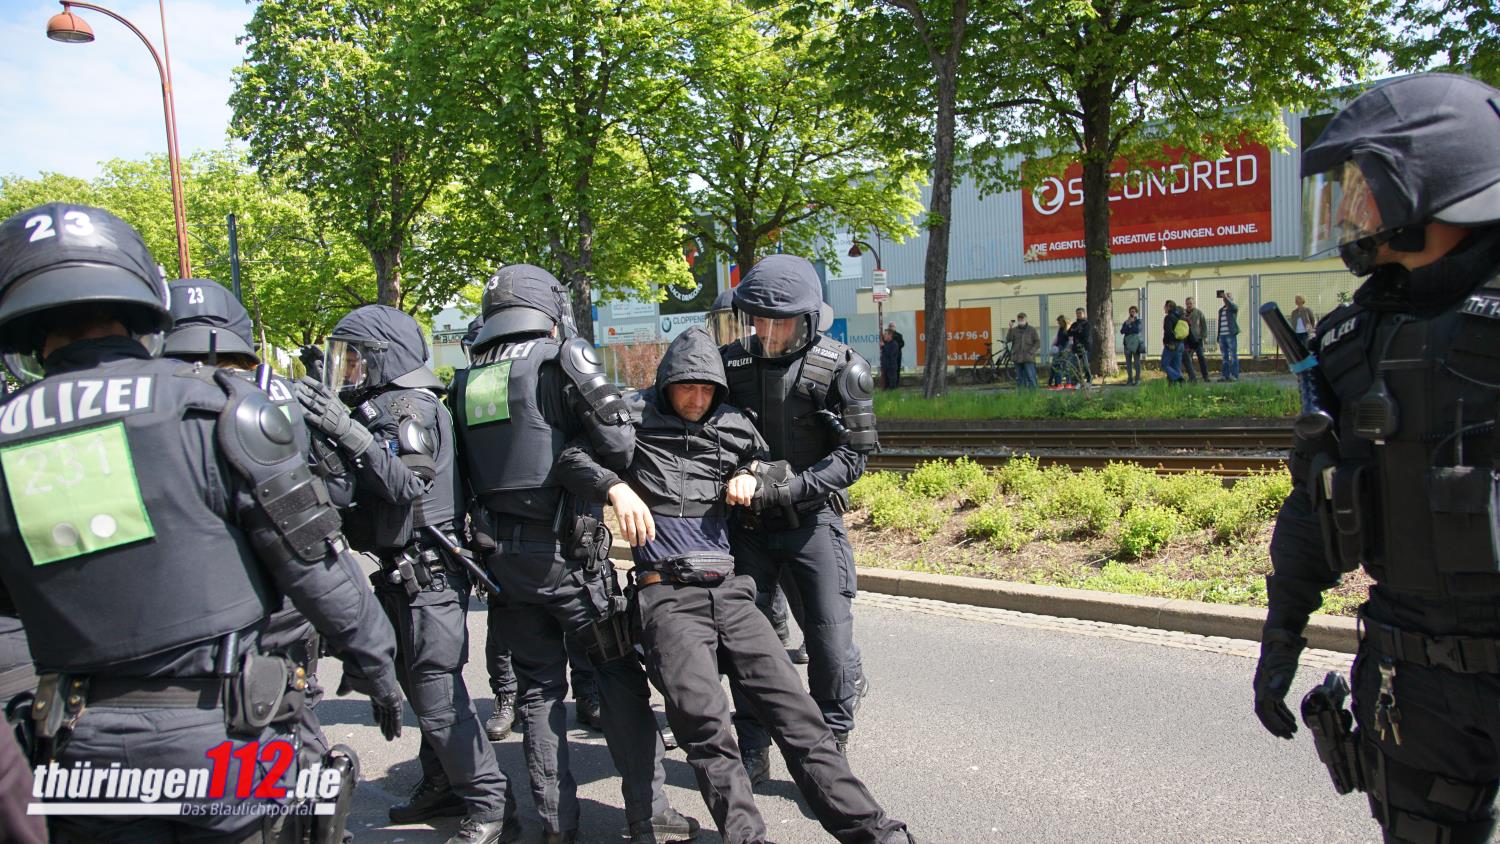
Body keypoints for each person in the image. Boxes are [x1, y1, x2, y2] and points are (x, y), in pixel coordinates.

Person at [0, 203, 402, 842]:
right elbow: (314, 563)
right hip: (229, 738)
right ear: (139, 302)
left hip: (79, 747)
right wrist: (378, 666)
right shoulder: (215, 408)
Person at [1251, 73, 1500, 844]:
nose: (1353, 208)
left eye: (1368, 185)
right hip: (1416, 685)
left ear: (1441, 182)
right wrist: (1282, 633)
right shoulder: (1355, 340)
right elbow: (1318, 501)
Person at [563, 326, 916, 844]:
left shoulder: (733, 423)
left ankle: (878, 832)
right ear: (666, 383)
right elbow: (571, 458)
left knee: (798, 716)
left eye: (707, 389)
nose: (696, 398)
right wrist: (616, 488)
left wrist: (755, 471)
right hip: (667, 597)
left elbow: (773, 463)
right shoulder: (632, 419)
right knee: (705, 727)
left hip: (731, 592)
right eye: (686, 387)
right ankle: (745, 837)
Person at [451, 263, 698, 844]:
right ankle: (649, 817)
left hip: (504, 567)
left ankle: (558, 828)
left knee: (539, 695)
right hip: (571, 560)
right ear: (548, 308)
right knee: (617, 679)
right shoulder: (560, 359)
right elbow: (617, 444)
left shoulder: (467, 380)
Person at [297, 304, 518, 844]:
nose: (347, 370)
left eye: (354, 359)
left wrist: (345, 431)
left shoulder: (410, 407)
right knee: (420, 693)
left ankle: (492, 804)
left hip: (433, 574)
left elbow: (406, 486)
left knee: (439, 698)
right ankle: (444, 784)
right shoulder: (379, 406)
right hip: (403, 574)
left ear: (382, 357)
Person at [162, 276, 361, 815]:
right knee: (287, 729)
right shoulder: (284, 401)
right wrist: (367, 643)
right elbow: (335, 493)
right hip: (283, 606)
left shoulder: (141, 413)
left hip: (175, 635)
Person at [720, 254, 878, 785]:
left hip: (812, 523)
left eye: (779, 321)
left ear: (808, 319)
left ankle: (831, 744)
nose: (766, 331)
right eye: (758, 320)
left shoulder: (843, 367)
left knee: (830, 640)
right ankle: (752, 746)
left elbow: (854, 456)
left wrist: (794, 488)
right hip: (747, 529)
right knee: (746, 642)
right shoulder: (729, 363)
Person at [1006, 312, 1041, 388]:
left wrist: (1031, 352)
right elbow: (1008, 339)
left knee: (1031, 377)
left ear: (1026, 319)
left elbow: (1037, 342)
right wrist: (1010, 328)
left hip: (1028, 358)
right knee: (1019, 378)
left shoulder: (1032, 329)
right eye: (1019, 318)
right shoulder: (1014, 330)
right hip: (1017, 358)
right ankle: (1021, 395)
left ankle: (1033, 395)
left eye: (1022, 318)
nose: (1020, 320)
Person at [1183, 297, 1209, 382]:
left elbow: (1204, 325)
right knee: (1188, 359)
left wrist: (1204, 336)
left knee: (1201, 356)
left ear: (1193, 304)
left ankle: (1205, 376)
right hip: (1187, 340)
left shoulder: (1198, 313)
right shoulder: (1183, 314)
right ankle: (1192, 377)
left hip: (1197, 339)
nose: (1189, 305)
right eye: (1187, 304)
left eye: (1190, 303)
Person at [1216, 292, 1240, 382]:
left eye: (1229, 297)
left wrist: (1226, 297)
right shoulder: (1221, 310)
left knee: (1233, 355)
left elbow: (1232, 305)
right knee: (1224, 356)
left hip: (1230, 335)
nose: (1226, 299)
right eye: (1225, 297)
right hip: (1222, 335)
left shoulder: (1233, 308)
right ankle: (1225, 375)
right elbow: (1219, 324)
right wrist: (1218, 336)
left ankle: (1234, 375)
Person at [1161, 300, 1185, 384]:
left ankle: (1179, 378)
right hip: (1181, 344)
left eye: (1165, 306)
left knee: (1164, 364)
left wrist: (1166, 341)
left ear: (1169, 307)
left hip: (1171, 344)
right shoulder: (1179, 317)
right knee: (1176, 366)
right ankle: (1178, 386)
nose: (1164, 308)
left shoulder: (1169, 317)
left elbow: (1168, 331)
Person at [1120, 305, 1144, 385]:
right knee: (1128, 362)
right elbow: (1122, 331)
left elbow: (1137, 330)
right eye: (1130, 311)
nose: (1132, 313)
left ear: (1136, 313)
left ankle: (1137, 379)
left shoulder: (1139, 321)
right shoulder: (1126, 321)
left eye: (1133, 311)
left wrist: (1131, 324)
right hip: (1127, 345)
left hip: (1136, 345)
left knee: (1137, 362)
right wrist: (1128, 324)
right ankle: (1130, 379)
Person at [1066, 307, 1092, 383]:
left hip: (1085, 348)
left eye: (1080, 313)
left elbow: (1086, 335)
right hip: (1075, 348)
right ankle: (1076, 380)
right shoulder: (1074, 324)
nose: (1078, 315)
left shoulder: (1087, 324)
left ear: (1084, 314)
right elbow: (1069, 333)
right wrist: (1076, 332)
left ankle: (1089, 379)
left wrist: (1076, 332)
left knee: (1086, 365)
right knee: (1074, 364)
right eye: (1077, 313)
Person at [1048, 314, 1071, 387]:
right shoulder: (1060, 329)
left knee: (1063, 366)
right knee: (1056, 366)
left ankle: (1065, 383)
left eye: (1059, 322)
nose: (1058, 324)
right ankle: (1055, 382)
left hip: (1064, 349)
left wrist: (1067, 349)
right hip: (1058, 348)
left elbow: (1070, 341)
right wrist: (1052, 347)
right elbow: (1057, 339)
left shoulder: (1068, 330)